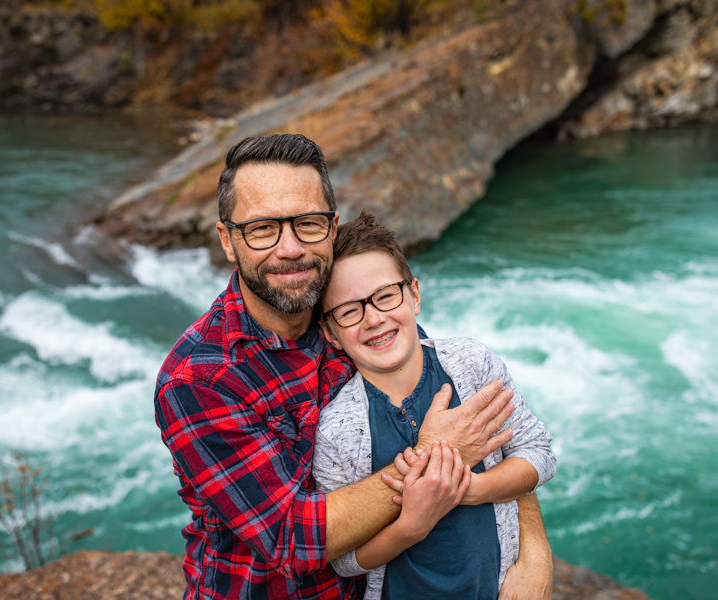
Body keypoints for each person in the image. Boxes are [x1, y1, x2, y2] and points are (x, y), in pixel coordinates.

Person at [154, 133, 554, 600]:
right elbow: (294, 540)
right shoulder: (200, 379)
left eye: (307, 223)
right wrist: (433, 455)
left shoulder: (355, 311)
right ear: (228, 239)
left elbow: (486, 430)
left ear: (331, 226)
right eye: (263, 228)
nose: (290, 248)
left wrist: (535, 552)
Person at [313, 211, 556, 599]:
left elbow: (538, 453)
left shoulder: (471, 364)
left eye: (386, 295)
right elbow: (344, 559)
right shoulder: (336, 428)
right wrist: (411, 525)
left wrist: (472, 488)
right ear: (331, 333)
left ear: (414, 295)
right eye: (349, 310)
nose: (374, 318)